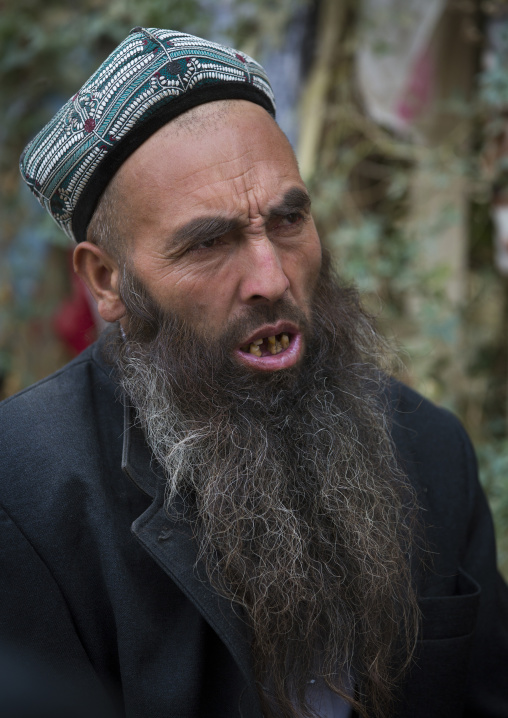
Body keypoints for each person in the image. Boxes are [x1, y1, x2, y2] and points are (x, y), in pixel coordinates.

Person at [1, 27, 507, 718]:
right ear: (106, 279)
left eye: (289, 219)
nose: (271, 278)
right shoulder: (22, 496)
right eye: (209, 242)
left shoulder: (431, 450)